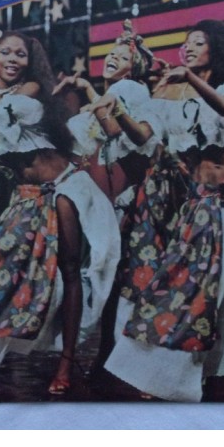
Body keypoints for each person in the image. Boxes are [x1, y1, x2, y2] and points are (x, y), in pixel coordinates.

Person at [104, 20, 224, 401]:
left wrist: (191, 79)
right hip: (202, 198)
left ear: (218, 48)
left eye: (200, 42)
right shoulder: (172, 95)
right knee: (184, 279)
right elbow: (142, 135)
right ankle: (167, 372)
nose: (190, 48)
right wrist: (116, 110)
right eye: (187, 43)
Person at [0, 29, 120, 397]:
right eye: (6, 52)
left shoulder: (30, 93)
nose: (13, 60)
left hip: (65, 188)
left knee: (69, 271)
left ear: (30, 62)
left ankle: (67, 362)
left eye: (20, 54)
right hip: (27, 197)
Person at [54, 20, 160, 375]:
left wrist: (96, 102)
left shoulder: (132, 90)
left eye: (122, 56)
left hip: (123, 196)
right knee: (109, 273)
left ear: (135, 67)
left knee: (114, 273)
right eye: (110, 55)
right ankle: (103, 350)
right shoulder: (117, 93)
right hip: (106, 194)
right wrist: (90, 92)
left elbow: (117, 131)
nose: (112, 59)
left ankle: (108, 351)